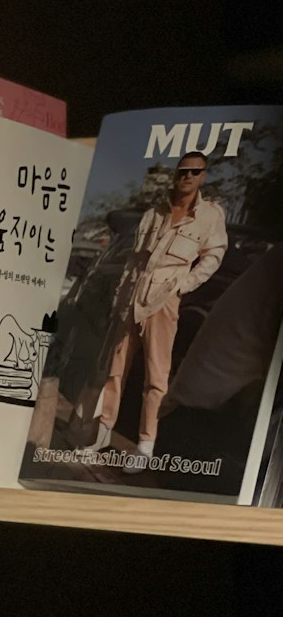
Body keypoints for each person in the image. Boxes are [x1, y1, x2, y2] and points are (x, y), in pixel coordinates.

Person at [78, 151, 228, 456]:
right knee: (114, 371)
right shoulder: (154, 213)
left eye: (194, 172)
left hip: (163, 302)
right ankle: (102, 435)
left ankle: (145, 447)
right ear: (175, 174)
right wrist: (121, 296)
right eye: (183, 171)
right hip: (132, 301)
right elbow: (134, 261)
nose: (187, 177)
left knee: (156, 378)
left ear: (203, 176)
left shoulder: (210, 215)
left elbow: (213, 256)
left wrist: (182, 287)